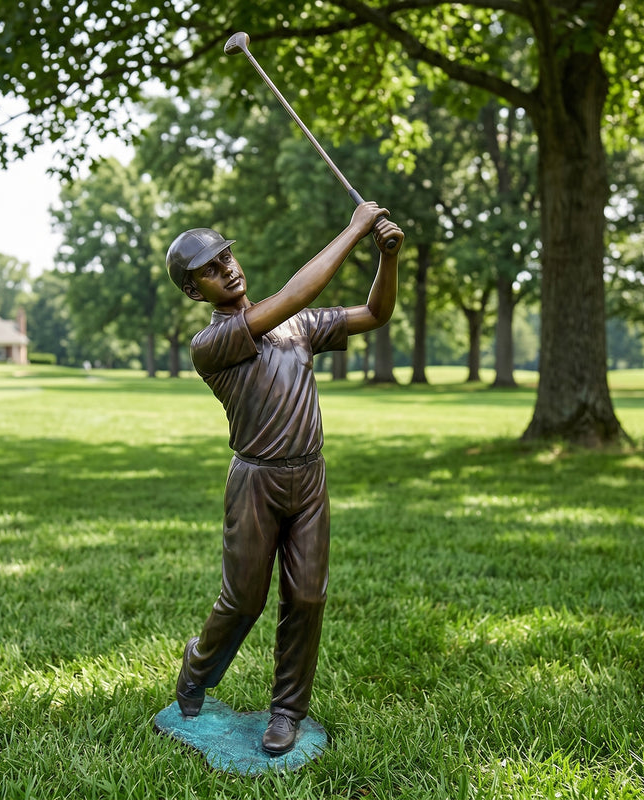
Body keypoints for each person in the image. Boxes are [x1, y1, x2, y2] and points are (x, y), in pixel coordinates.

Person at [165, 201, 403, 756]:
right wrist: (354, 229)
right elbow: (296, 294)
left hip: (309, 481)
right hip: (255, 485)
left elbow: (374, 314)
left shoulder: (295, 326)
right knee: (243, 601)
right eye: (209, 268)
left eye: (226, 255)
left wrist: (386, 260)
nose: (226, 268)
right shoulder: (213, 343)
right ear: (196, 290)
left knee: (308, 597)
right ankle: (197, 668)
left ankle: (287, 711)